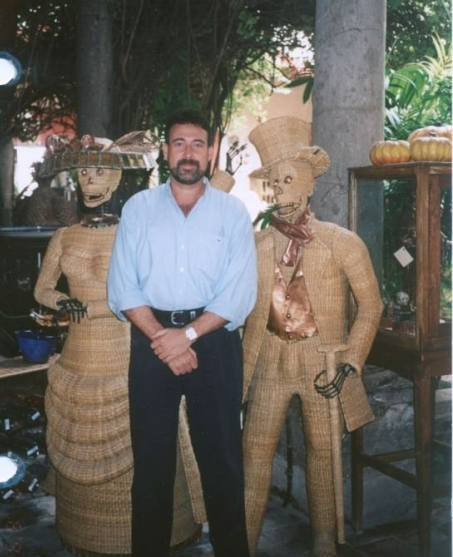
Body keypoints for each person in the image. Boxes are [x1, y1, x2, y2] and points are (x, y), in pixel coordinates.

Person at [34, 131, 204, 556]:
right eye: (84, 173)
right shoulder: (65, 236)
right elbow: (42, 290)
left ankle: (156, 532)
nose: (90, 181)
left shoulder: (137, 229)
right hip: (80, 354)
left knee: (144, 435)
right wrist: (63, 301)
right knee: (79, 435)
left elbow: (163, 287)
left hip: (128, 347)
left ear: (114, 181)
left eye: (99, 173)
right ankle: (85, 531)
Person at [107, 109, 257, 557]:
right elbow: (123, 286)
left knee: (224, 464)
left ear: (210, 151)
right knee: (151, 465)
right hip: (151, 338)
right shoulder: (138, 208)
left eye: (197, 144)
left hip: (213, 342)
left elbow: (238, 293)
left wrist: (186, 337)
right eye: (178, 143)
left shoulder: (233, 213)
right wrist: (164, 339)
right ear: (165, 150)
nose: (188, 153)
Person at [241, 116, 382, 557]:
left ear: (307, 185)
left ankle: (324, 541)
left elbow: (371, 305)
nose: (280, 193)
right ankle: (241, 542)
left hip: (323, 365)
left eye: (287, 181)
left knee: (323, 456)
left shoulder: (342, 243)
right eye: (273, 184)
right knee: (254, 456)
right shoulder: (255, 245)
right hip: (268, 362)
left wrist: (350, 360)